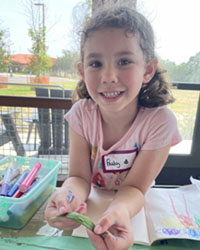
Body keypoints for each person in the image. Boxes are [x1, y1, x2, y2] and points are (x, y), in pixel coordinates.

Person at [45, 5, 181, 250]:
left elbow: (136, 188)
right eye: (96, 63)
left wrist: (119, 210)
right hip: (92, 202)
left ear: (148, 70)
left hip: (136, 208)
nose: (108, 76)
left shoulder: (160, 123)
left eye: (124, 61)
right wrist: (66, 199)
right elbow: (78, 177)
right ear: (82, 72)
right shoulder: (81, 115)